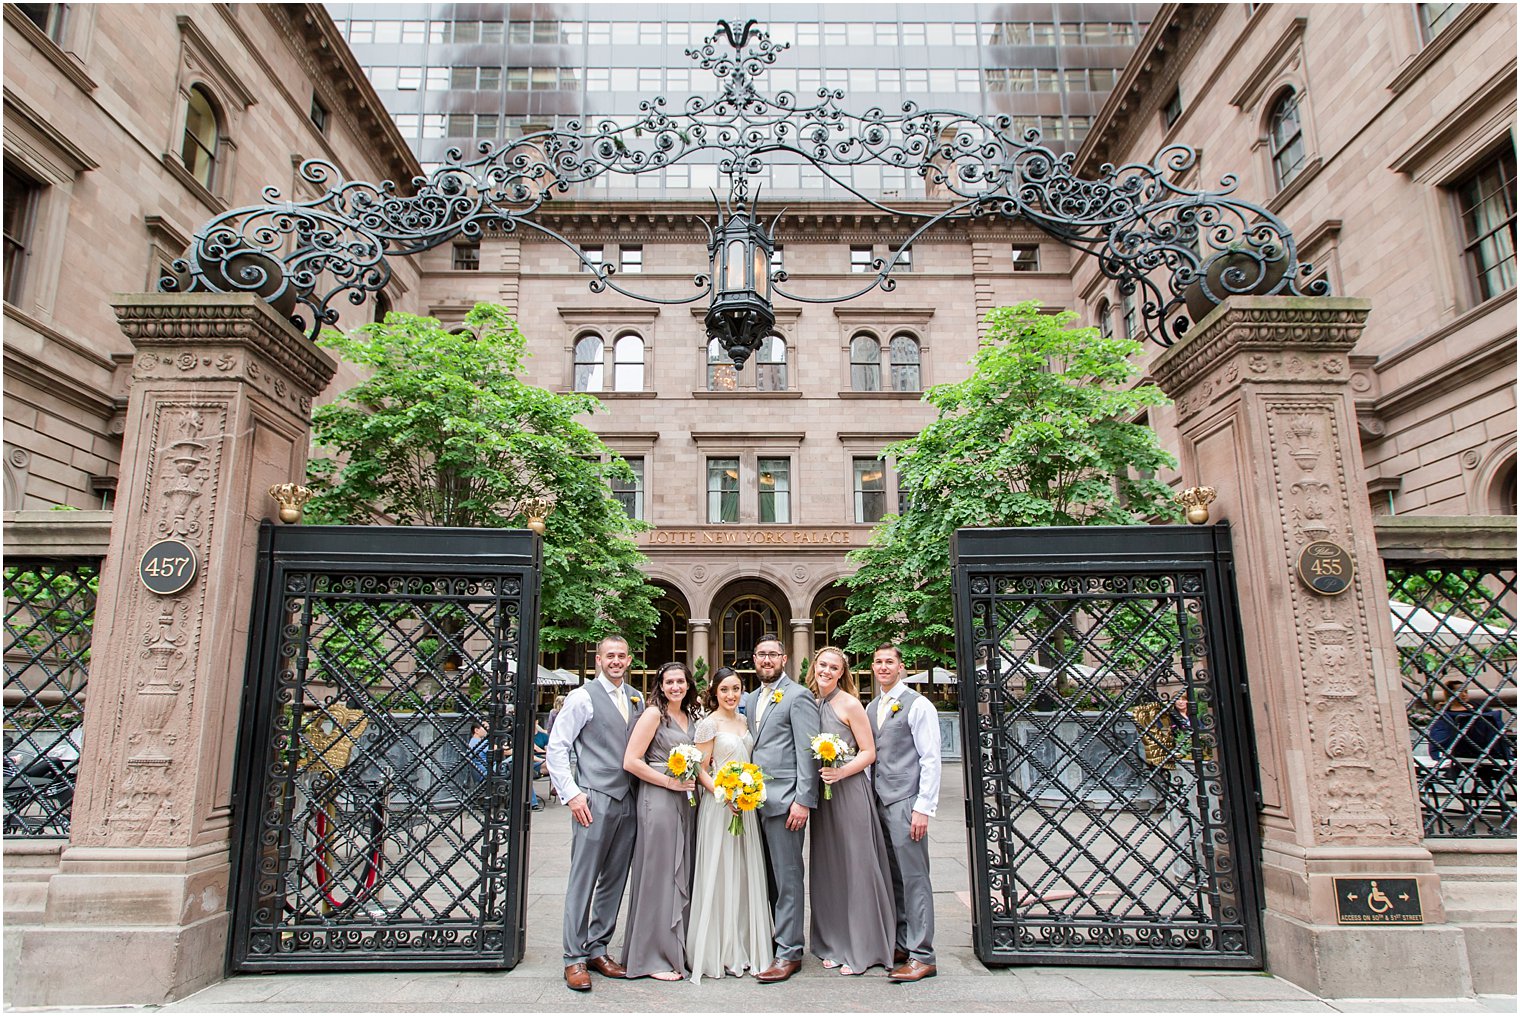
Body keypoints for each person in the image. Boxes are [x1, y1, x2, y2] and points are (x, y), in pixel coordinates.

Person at [544, 634, 643, 992]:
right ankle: (573, 958)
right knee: (583, 879)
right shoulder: (581, 697)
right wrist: (572, 795)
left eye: (621, 655)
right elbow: (557, 748)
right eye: (609, 656)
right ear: (598, 659)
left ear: (629, 660)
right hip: (593, 799)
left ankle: (598, 948)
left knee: (614, 881)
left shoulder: (636, 697)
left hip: (627, 800)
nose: (616, 661)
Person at [807, 646, 895, 976]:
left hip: (849, 791)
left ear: (842, 672)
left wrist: (842, 772)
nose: (827, 671)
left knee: (857, 865)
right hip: (824, 797)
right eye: (823, 665)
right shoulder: (813, 702)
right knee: (830, 868)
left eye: (834, 667)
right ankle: (835, 942)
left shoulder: (850, 704)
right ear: (814, 666)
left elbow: (869, 752)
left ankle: (863, 948)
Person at [686, 667, 774, 982]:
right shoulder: (708, 724)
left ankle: (746, 944)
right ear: (715, 692)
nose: (731, 695)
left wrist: (747, 793)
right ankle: (717, 950)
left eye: (736, 688)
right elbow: (700, 769)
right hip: (719, 806)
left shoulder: (745, 722)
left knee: (745, 871)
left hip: (746, 806)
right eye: (725, 689)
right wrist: (724, 794)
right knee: (719, 869)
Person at [744, 633, 820, 984]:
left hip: (786, 801)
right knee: (767, 877)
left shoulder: (798, 696)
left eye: (773, 654)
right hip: (754, 802)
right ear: (754, 659)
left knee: (788, 878)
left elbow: (807, 752)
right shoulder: (752, 698)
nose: (767, 660)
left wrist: (803, 800)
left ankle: (789, 951)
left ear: (784, 659)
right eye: (761, 655)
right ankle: (772, 940)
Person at [620, 662, 700, 981]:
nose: (676, 686)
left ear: (688, 684)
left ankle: (676, 949)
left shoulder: (693, 716)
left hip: (686, 800)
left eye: (680, 681)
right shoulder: (654, 714)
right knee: (659, 872)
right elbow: (631, 761)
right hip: (659, 798)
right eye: (669, 682)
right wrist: (669, 783)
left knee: (681, 868)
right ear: (661, 685)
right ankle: (651, 956)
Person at [868, 643, 942, 983]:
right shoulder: (871, 707)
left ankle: (923, 954)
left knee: (914, 878)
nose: (883, 667)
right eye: (878, 662)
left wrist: (923, 808)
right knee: (894, 877)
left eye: (889, 662)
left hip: (907, 802)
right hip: (880, 801)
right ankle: (902, 944)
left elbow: (930, 758)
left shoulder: (919, 704)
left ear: (901, 667)